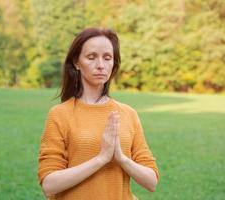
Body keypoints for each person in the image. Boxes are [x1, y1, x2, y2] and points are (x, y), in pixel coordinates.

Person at [38, 27, 159, 200]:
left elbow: (151, 182)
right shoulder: (59, 114)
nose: (101, 65)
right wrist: (101, 158)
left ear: (113, 64)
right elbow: (49, 185)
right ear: (76, 62)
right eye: (91, 57)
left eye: (107, 58)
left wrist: (122, 158)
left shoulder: (128, 114)